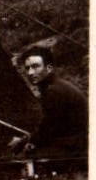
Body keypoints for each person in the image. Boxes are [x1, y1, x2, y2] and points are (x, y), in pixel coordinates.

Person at [17, 42, 88, 172]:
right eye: (27, 68)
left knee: (27, 157)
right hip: (75, 140)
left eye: (35, 67)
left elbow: (48, 128)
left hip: (78, 145)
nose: (30, 72)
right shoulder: (55, 86)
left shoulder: (53, 91)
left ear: (48, 68)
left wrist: (25, 142)